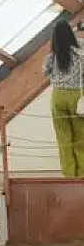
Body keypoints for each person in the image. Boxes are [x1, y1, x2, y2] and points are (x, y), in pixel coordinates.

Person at [47, 16, 84, 177]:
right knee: (80, 136)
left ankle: (69, 175)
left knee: (64, 138)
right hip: (76, 96)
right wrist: (75, 31)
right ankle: (82, 172)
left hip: (58, 97)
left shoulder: (52, 56)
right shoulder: (80, 51)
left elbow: (45, 71)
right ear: (70, 34)